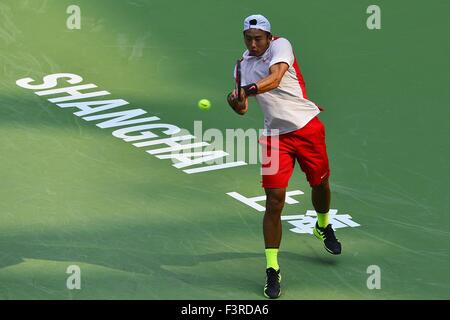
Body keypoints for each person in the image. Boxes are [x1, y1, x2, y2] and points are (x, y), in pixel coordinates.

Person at [227, 14, 342, 299]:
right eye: (248, 39)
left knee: (320, 185)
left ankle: (323, 225)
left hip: (307, 128)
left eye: (258, 38)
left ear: (269, 37)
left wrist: (245, 91)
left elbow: (276, 79)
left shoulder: (281, 46)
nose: (253, 44)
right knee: (274, 200)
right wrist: (235, 102)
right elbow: (243, 110)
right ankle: (272, 268)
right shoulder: (242, 67)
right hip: (274, 138)